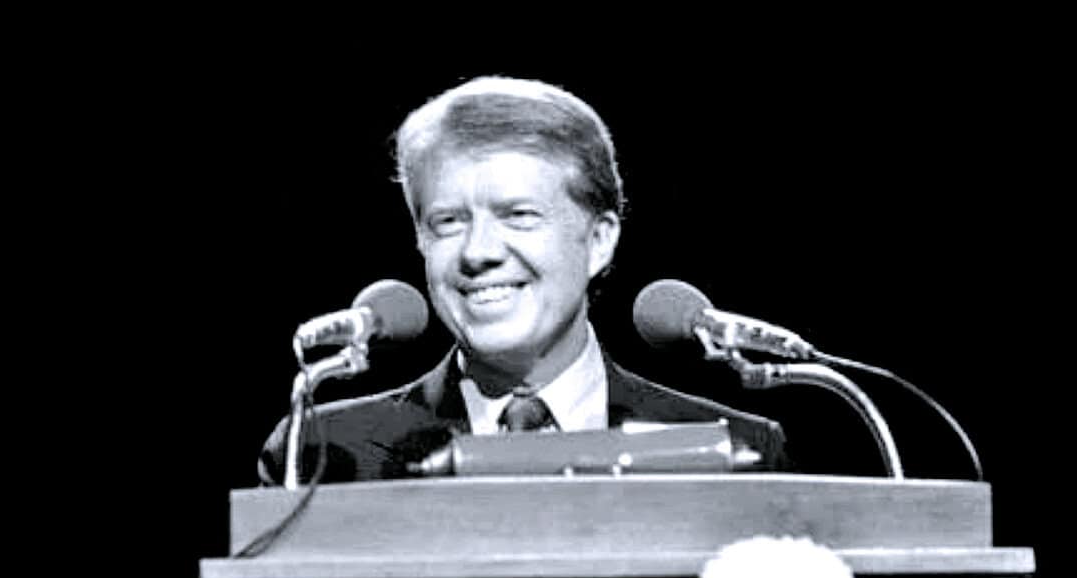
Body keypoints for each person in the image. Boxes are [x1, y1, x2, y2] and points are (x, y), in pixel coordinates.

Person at [257, 75, 788, 485]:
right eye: (449, 222)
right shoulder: (324, 454)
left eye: (518, 215)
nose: (478, 253)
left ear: (599, 240)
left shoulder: (735, 454)